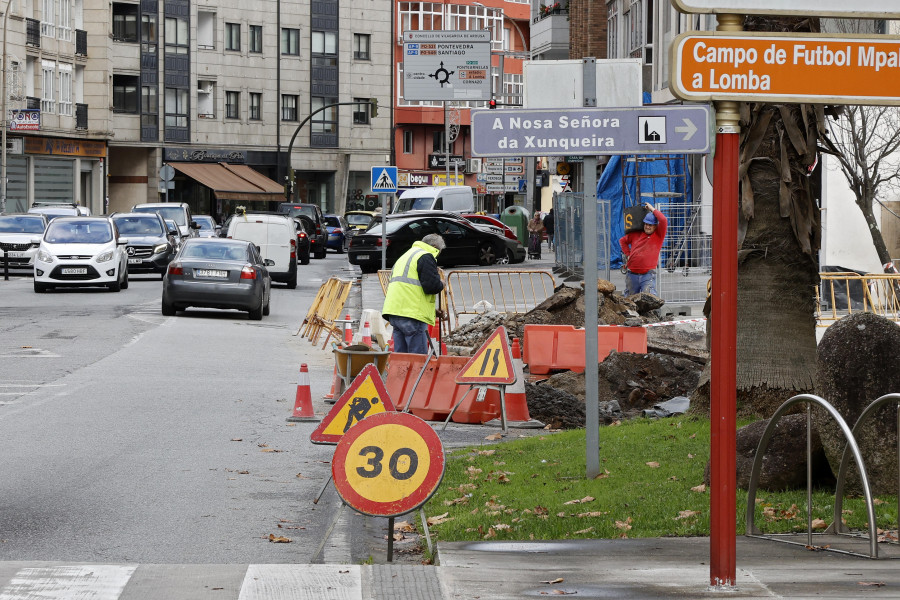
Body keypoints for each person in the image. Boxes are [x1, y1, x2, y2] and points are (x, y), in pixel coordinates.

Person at [382, 233, 446, 354]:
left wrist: (433, 312)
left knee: (402, 358)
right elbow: (431, 286)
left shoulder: (406, 256)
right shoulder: (426, 256)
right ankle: (416, 374)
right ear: (434, 247)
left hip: (396, 312)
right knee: (417, 359)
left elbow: (409, 290)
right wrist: (442, 283)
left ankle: (401, 374)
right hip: (412, 316)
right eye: (439, 251)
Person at [618, 202, 668, 297]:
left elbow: (663, 220)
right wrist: (627, 254)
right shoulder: (635, 234)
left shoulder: (658, 235)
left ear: (655, 226)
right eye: (646, 224)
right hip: (632, 274)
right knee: (629, 300)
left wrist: (652, 209)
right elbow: (622, 241)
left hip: (647, 275)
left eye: (650, 225)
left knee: (649, 298)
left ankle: (653, 312)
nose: (647, 227)